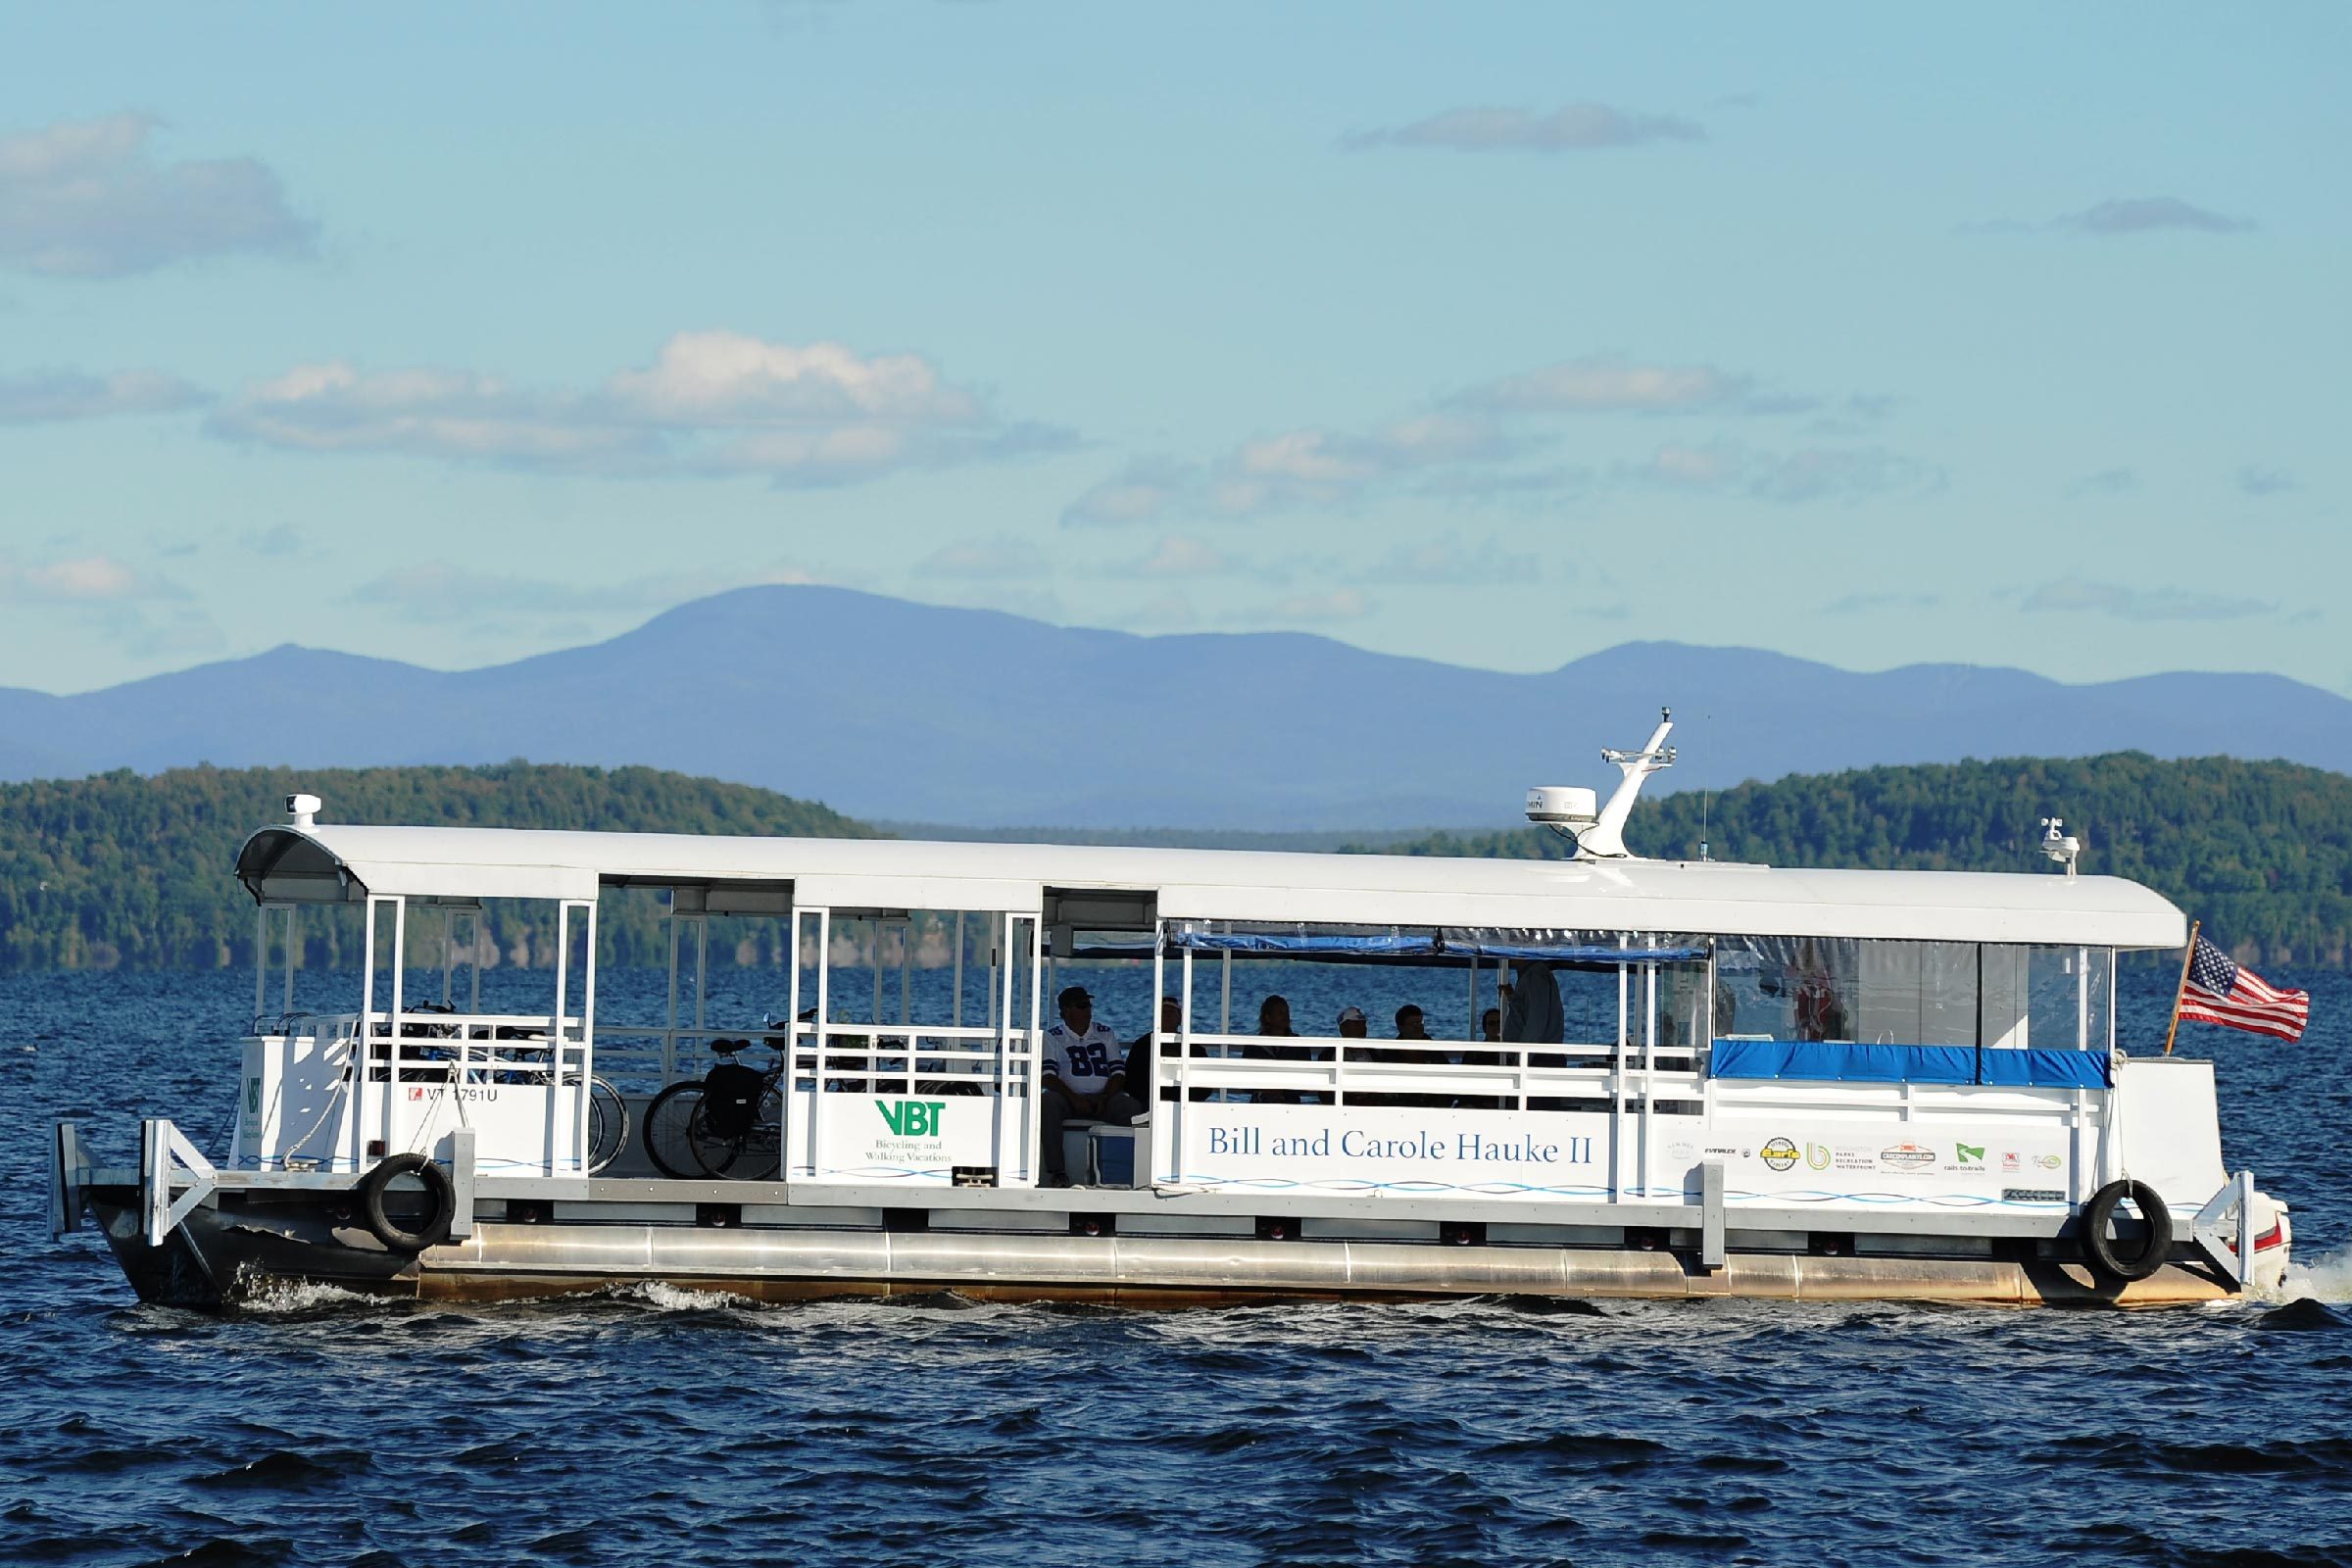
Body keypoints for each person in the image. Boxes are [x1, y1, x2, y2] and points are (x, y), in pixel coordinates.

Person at [1040, 986, 1141, 1186]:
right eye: (1082, 1005)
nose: (1088, 1010)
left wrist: (1103, 1097)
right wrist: (1074, 1098)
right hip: (1068, 1100)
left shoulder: (1105, 1034)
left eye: (1089, 1005)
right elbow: (1048, 1077)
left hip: (1104, 1098)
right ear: (1066, 1012)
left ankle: (1133, 1169)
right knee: (1048, 1102)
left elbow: (1118, 1072)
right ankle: (1057, 1172)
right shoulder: (1052, 1037)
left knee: (1133, 1108)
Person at [1124, 995, 1181, 1109]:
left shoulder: (1192, 1046)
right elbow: (1131, 1081)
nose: (1167, 1015)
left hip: (1184, 1103)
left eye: (1171, 1012)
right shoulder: (1141, 1045)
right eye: (1163, 1012)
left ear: (1180, 1018)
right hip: (1148, 1104)